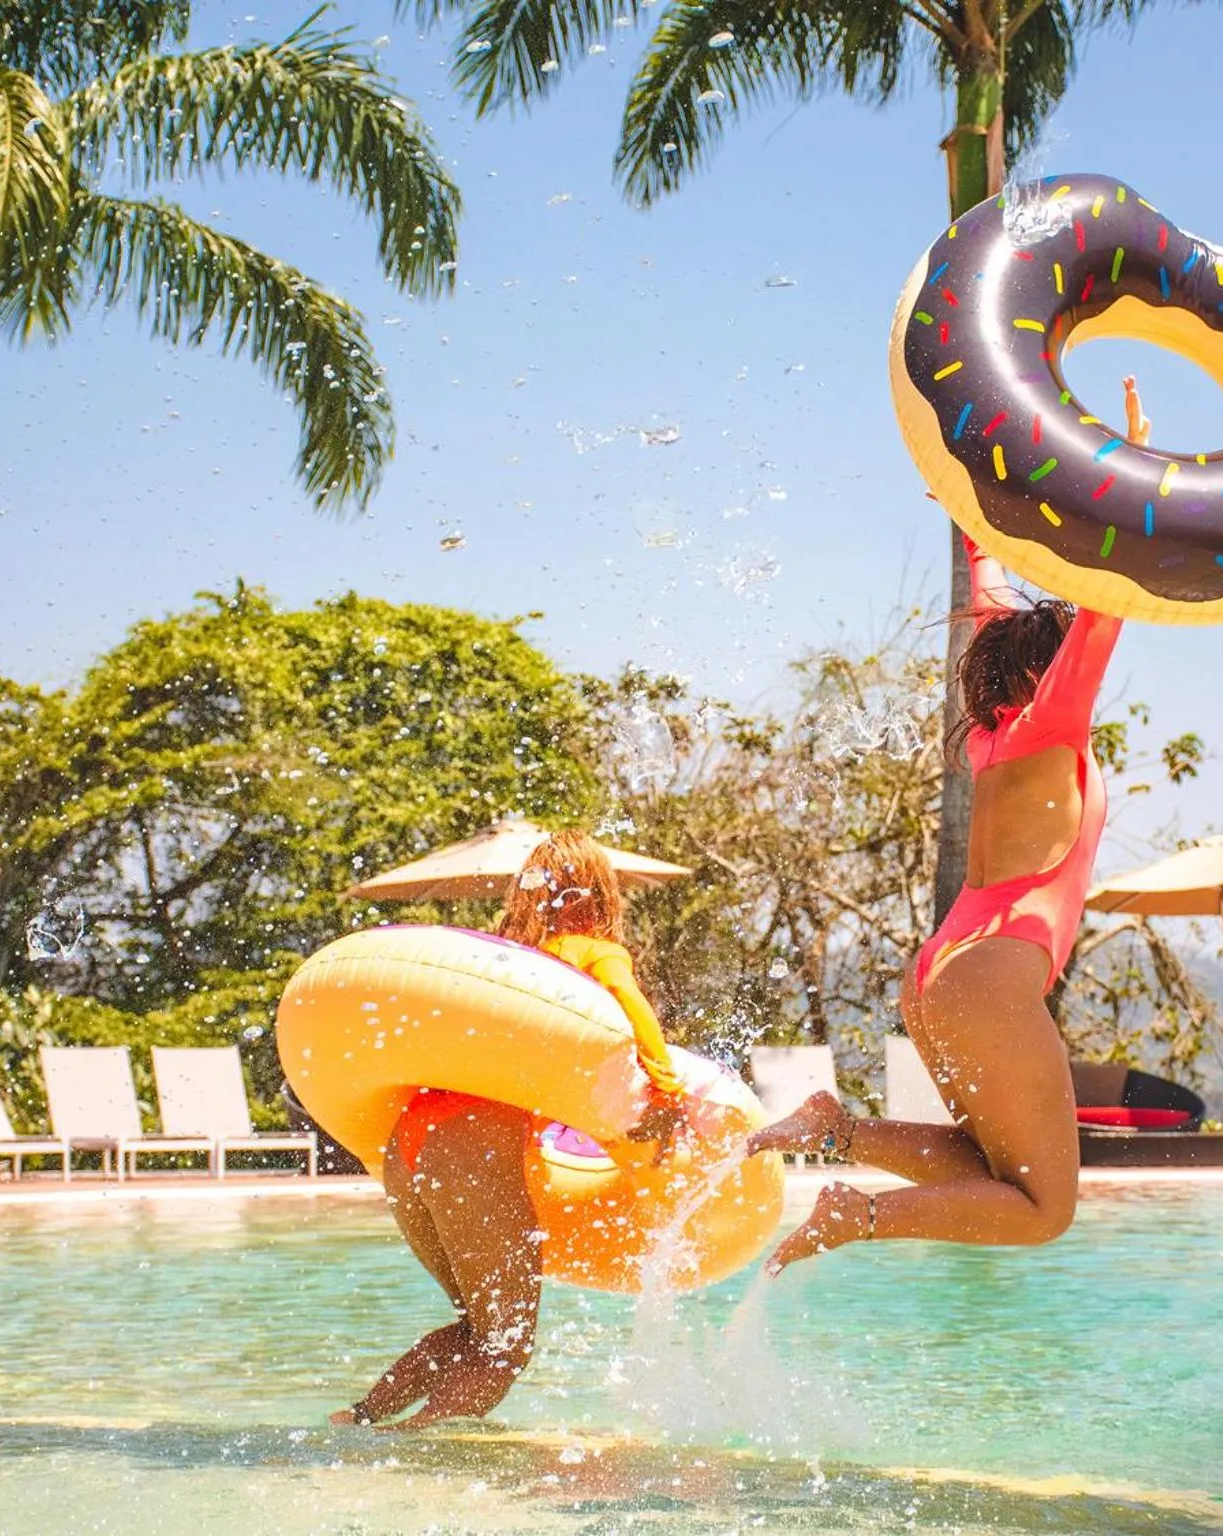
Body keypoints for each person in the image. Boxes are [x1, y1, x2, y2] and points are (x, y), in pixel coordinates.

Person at [748, 378, 1152, 1274]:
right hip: (994, 982)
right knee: (1043, 1209)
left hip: (940, 974)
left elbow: (988, 594)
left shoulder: (991, 743)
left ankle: (834, 1128)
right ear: (1047, 677)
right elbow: (1106, 606)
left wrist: (969, 501)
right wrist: (1125, 462)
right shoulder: (1052, 727)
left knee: (991, 1169)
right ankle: (856, 1215)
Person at [330, 829, 688, 1428]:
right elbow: (633, 1011)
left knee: (477, 1327)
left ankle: (360, 1421)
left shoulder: (499, 958)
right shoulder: (593, 951)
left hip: (409, 1142)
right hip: (471, 1149)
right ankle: (411, 1442)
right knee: (504, 1347)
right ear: (603, 893)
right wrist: (668, 1094)